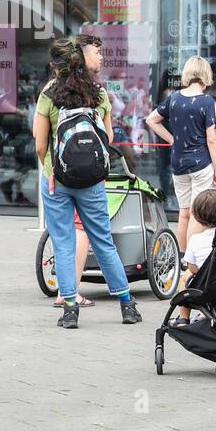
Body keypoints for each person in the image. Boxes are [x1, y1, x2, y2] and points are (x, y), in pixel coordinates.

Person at [33, 36, 141, 330]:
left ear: (57, 65)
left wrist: (51, 169)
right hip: (92, 180)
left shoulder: (49, 95)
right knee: (103, 240)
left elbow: (40, 143)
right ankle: (127, 305)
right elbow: (107, 139)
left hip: (57, 178)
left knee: (64, 243)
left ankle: (70, 309)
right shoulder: (98, 94)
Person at [145, 56, 216, 253]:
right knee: (198, 214)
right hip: (201, 163)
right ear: (206, 74)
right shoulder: (207, 102)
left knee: (184, 213)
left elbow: (151, 120)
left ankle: (180, 257)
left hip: (178, 164)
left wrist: (171, 139)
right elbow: (212, 139)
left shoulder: (174, 98)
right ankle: (192, 261)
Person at [169, 188, 216, 328]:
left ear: (197, 217)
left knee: (186, 276)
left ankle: (183, 318)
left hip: (206, 289)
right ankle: (207, 314)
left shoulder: (196, 240)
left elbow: (193, 268)